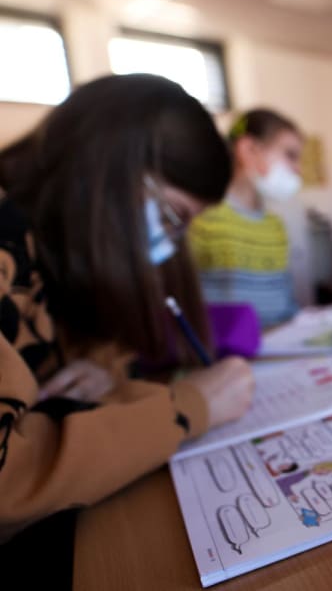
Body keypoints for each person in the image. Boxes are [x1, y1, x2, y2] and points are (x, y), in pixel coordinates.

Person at [0, 75, 255, 551]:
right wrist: (188, 407)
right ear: (109, 167)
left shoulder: (56, 249)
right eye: (172, 216)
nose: (167, 245)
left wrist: (104, 376)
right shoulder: (6, 245)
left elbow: (97, 356)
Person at [188, 108, 304, 327]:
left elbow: (285, 301)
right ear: (249, 149)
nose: (298, 169)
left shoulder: (275, 226)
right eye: (290, 155)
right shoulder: (202, 218)